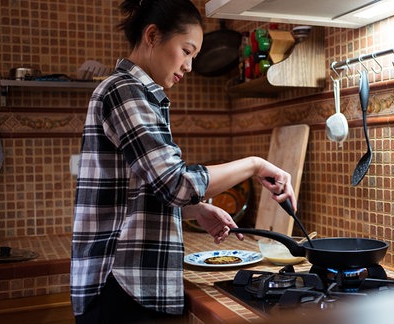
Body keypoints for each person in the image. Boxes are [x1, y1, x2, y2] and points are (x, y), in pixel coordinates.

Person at [70, 0, 297, 322]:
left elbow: (144, 187)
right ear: (152, 36)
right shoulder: (125, 91)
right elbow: (176, 183)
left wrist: (193, 209)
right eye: (186, 50)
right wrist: (255, 164)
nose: (190, 65)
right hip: (123, 283)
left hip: (126, 283)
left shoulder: (138, 94)